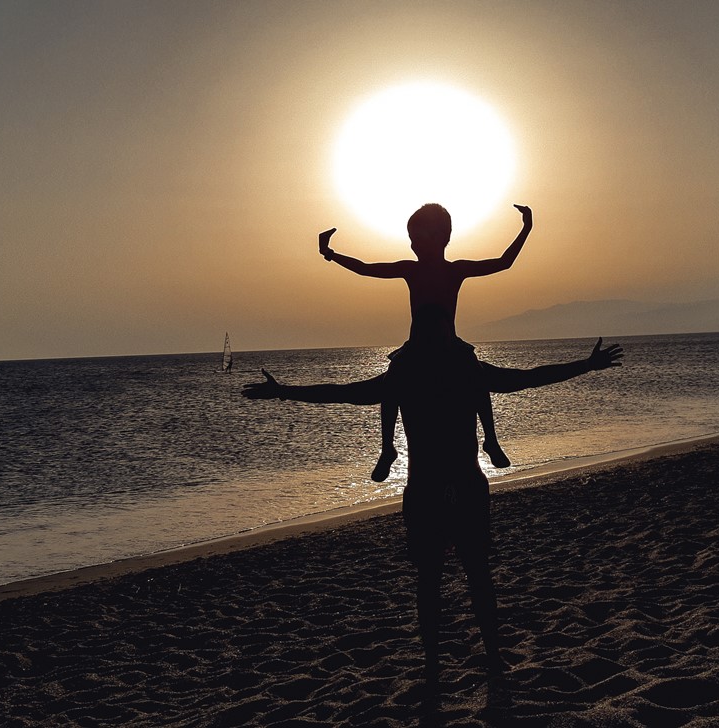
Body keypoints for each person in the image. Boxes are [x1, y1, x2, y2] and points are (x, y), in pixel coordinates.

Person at [243, 337, 624, 683]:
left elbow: (343, 393)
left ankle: (437, 663)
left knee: (433, 578)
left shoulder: (404, 376)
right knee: (475, 574)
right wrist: (584, 367)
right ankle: (488, 658)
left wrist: (283, 392)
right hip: (464, 484)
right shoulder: (466, 372)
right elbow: (524, 378)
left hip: (427, 487)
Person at [319, 203, 533, 481]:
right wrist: (331, 254)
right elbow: (365, 269)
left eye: (418, 237)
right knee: (392, 381)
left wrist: (526, 227)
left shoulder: (455, 270)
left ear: (440, 238)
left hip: (450, 344)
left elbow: (504, 262)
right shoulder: (411, 270)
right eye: (411, 238)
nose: (413, 244)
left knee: (476, 373)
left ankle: (490, 439)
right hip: (417, 347)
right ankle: (387, 448)